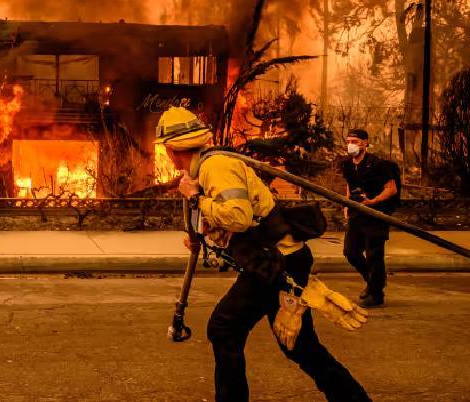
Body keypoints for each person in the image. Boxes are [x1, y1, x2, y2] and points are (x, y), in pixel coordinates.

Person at [156, 107, 370, 402]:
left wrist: (195, 197)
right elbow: (233, 220)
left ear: (169, 150)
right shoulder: (207, 167)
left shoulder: (213, 167)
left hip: (276, 263)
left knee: (224, 327)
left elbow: (238, 217)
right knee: (299, 347)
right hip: (279, 261)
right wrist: (203, 234)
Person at [341, 129, 399, 308]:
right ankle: (374, 283)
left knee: (374, 254)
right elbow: (350, 186)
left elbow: (391, 189)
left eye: (356, 141)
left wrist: (372, 201)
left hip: (376, 215)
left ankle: (376, 293)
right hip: (356, 214)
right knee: (351, 252)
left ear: (365, 143)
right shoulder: (347, 164)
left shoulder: (378, 164)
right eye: (349, 141)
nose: (351, 145)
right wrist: (346, 204)